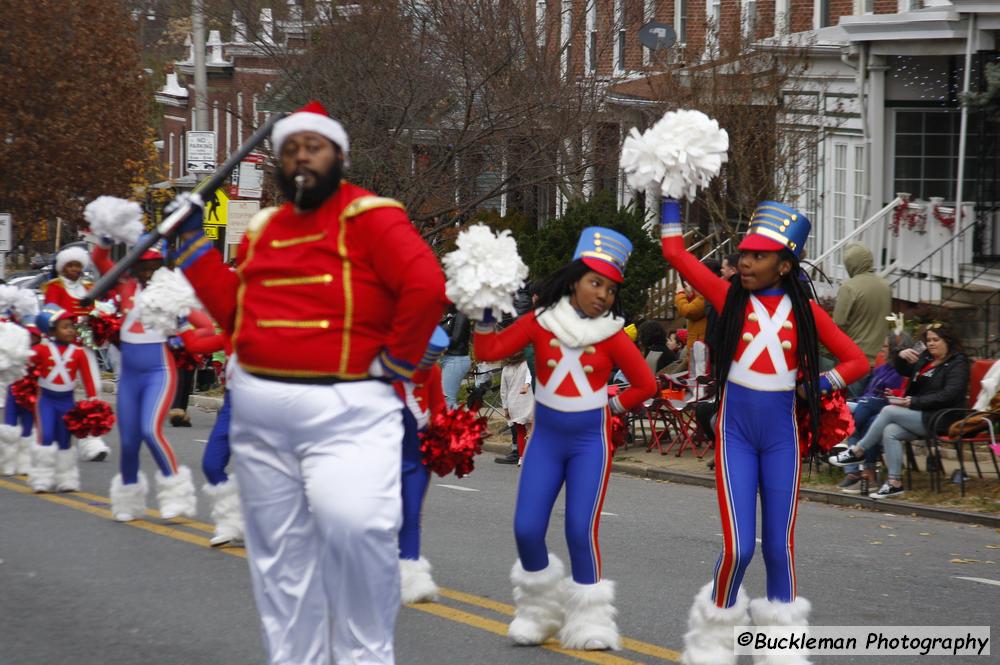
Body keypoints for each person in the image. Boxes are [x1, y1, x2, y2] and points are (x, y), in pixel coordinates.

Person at [173, 100, 447, 665]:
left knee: (355, 527)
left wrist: (396, 364)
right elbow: (236, 315)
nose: (301, 158)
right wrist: (192, 247)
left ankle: (365, 656)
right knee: (279, 558)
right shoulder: (268, 225)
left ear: (339, 156)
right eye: (291, 149)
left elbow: (425, 284)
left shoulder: (372, 215)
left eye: (313, 148)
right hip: (260, 408)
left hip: (346, 407)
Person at [660, 200, 868, 665]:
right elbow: (675, 253)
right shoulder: (727, 296)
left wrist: (816, 384)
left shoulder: (808, 312)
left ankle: (783, 649)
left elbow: (858, 361)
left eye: (757, 256)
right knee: (737, 548)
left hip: (781, 442)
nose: (744, 262)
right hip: (735, 439)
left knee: (778, 547)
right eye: (743, 254)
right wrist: (670, 194)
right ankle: (713, 639)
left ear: (785, 264)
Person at [474, 227, 656, 651]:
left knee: (579, 529)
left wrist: (611, 408)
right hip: (546, 444)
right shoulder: (540, 323)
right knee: (526, 528)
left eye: (611, 289)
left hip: (589, 445)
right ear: (574, 280)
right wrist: (484, 311)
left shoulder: (611, 333)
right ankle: (538, 612)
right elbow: (489, 351)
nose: (604, 295)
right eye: (596, 283)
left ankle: (591, 620)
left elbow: (646, 385)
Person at [91, 240, 204, 522]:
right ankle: (128, 502)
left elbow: (206, 326)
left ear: (163, 267)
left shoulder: (173, 293)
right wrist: (106, 234)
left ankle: (176, 494)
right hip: (129, 377)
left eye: (154, 266)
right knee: (128, 442)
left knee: (150, 431)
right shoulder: (125, 286)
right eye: (142, 266)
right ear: (135, 266)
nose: (147, 273)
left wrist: (182, 336)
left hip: (159, 372)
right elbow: (100, 258)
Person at [829, 323, 971, 499]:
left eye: (936, 340)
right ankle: (894, 483)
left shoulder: (958, 363)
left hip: (944, 417)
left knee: (889, 410)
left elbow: (949, 395)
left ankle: (858, 451)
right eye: (929, 340)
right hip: (923, 414)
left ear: (948, 341)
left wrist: (913, 401)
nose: (931, 344)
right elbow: (903, 370)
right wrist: (900, 355)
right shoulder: (926, 358)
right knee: (890, 431)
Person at [43, 245, 112, 462]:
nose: (74, 269)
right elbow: (49, 314)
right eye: (70, 265)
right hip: (62, 348)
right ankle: (51, 436)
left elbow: (98, 308)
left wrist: (99, 318)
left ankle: (92, 439)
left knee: (94, 388)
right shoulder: (54, 287)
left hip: (86, 344)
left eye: (77, 266)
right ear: (62, 267)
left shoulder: (89, 286)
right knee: (61, 390)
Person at [396, 328, 449, 604]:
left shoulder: (434, 372)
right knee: (383, 514)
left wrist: (450, 433)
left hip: (418, 454)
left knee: (412, 513)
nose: (425, 367)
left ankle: (411, 575)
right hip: (386, 453)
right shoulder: (386, 370)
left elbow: (438, 407)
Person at [26, 304, 101, 493]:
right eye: (65, 327)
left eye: (71, 326)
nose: (70, 330)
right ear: (52, 331)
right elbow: (25, 367)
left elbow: (87, 377)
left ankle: (66, 478)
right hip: (47, 401)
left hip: (67, 402)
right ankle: (41, 478)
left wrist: (92, 398)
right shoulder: (41, 350)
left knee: (65, 440)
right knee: (47, 436)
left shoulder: (78, 353)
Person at [831, 243, 892, 397]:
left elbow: (837, 324)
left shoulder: (850, 287)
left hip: (853, 359)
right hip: (879, 360)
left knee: (847, 406)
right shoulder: (885, 286)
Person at [0, 319, 41, 476]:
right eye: (28, 336)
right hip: (13, 395)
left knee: (27, 432)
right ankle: (8, 463)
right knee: (9, 430)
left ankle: (24, 462)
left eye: (33, 336)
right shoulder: (11, 354)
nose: (30, 339)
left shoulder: (38, 353)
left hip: (30, 399)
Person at [498, 350, 533, 466]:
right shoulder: (527, 365)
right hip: (529, 402)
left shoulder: (505, 369)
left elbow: (503, 391)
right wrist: (526, 385)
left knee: (520, 432)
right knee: (533, 431)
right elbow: (530, 376)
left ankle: (522, 457)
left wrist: (506, 408)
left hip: (513, 404)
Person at [440, 306, 471, 408]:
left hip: (456, 359)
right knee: (446, 400)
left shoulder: (461, 315)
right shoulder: (448, 317)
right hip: (448, 359)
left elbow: (455, 339)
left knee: (448, 401)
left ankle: (462, 423)